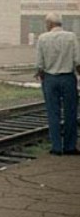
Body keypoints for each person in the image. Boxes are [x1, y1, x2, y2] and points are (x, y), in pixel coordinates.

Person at [35, 13, 80, 156]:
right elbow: (77, 61)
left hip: (50, 79)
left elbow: (39, 65)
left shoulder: (42, 38)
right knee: (71, 113)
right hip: (68, 78)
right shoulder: (71, 37)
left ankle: (56, 147)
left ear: (49, 23)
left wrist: (43, 78)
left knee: (52, 113)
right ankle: (69, 147)